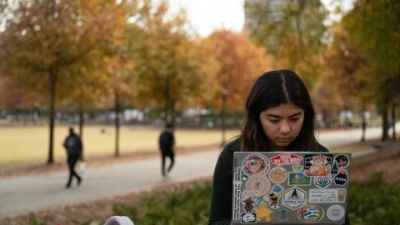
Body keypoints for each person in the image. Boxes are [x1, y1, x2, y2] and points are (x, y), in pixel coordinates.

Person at [208, 70, 350, 225]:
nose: (285, 129)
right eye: (274, 120)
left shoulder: (319, 157)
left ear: (306, 115)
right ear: (256, 117)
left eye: (295, 118)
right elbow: (216, 221)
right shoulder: (232, 155)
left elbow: (339, 218)